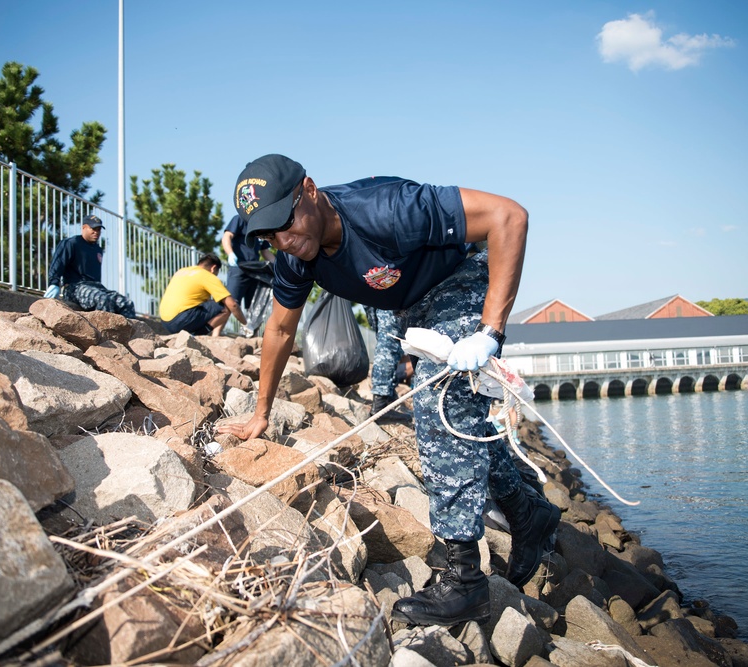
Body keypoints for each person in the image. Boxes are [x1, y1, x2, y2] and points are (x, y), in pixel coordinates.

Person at [217, 154, 560, 627]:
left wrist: (489, 332)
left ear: (310, 191)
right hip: (414, 304)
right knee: (460, 417)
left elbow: (508, 216)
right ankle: (527, 514)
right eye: (268, 235)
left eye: (286, 222)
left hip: (462, 276)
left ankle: (464, 582)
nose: (284, 240)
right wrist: (261, 412)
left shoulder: (387, 208)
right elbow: (278, 331)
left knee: (440, 395)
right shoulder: (296, 256)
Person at [44, 214, 136, 318]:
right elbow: (58, 263)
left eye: (98, 229)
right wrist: (54, 283)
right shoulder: (71, 243)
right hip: (75, 287)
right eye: (93, 229)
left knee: (126, 303)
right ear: (84, 227)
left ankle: (128, 334)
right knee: (102, 299)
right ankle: (105, 332)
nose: (96, 232)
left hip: (96, 287)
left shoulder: (97, 249)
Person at [158, 253, 247, 337]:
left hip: (165, 322)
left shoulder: (181, 271)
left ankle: (192, 333)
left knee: (210, 304)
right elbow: (233, 305)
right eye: (217, 273)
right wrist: (245, 324)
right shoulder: (207, 275)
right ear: (213, 268)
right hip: (181, 321)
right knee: (226, 306)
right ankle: (197, 336)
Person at [366, 306, 413, 423]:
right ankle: (380, 405)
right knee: (389, 340)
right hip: (390, 294)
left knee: (384, 336)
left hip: (374, 292)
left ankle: (388, 397)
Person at [221, 214, 276, 312]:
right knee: (230, 305)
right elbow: (227, 236)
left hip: (255, 272)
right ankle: (214, 328)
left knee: (254, 309)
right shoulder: (240, 219)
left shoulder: (261, 226)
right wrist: (230, 254)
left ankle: (249, 327)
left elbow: (265, 251)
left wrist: (278, 265)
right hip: (239, 268)